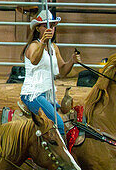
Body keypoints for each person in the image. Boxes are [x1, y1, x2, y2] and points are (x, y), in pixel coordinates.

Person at [19, 9, 81, 139]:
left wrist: (72, 61)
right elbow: (35, 60)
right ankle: (62, 154)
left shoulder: (54, 48)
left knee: (67, 117)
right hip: (32, 94)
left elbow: (63, 71)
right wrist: (42, 42)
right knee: (58, 123)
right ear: (38, 29)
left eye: (52, 26)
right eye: (45, 26)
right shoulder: (33, 46)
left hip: (47, 94)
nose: (50, 29)